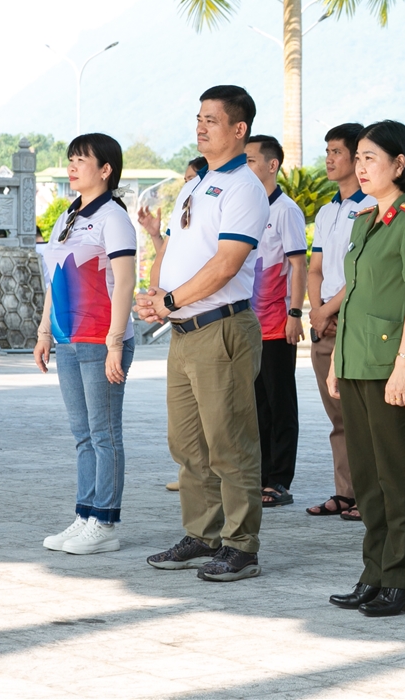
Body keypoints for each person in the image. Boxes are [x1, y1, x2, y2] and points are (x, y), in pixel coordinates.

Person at [136, 85, 270, 584]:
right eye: (198, 118)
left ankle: (241, 546)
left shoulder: (244, 188)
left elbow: (226, 264)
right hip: (183, 330)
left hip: (221, 329)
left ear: (239, 129)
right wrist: (157, 295)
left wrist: (171, 300)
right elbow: (177, 248)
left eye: (212, 120)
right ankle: (203, 533)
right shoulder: (196, 183)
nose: (200, 126)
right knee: (187, 444)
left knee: (229, 443)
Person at [326, 120, 405, 617]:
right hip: (357, 364)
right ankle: (373, 573)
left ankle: (401, 578)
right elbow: (353, 299)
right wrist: (337, 361)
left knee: (398, 477)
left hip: (394, 367)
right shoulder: (364, 220)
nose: (360, 165)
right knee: (369, 478)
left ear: (400, 165)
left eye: (370, 157)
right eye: (358, 157)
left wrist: (403, 366)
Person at [34, 133, 138, 556]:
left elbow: (127, 280)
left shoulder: (113, 217)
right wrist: (44, 333)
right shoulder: (67, 217)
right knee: (82, 434)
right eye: (70, 159)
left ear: (106, 169)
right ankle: (85, 514)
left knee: (104, 433)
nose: (72, 166)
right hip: (68, 338)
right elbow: (54, 280)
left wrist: (116, 342)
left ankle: (106, 523)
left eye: (81, 159)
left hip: (101, 340)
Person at [305, 122, 374, 521]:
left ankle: (370, 496)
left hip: (353, 319)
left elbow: (361, 273)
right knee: (338, 417)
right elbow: (316, 269)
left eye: (338, 152)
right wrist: (316, 312)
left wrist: (328, 311)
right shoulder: (328, 209)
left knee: (364, 417)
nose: (330, 159)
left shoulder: (371, 207)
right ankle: (345, 493)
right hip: (324, 322)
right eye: (327, 151)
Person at [244, 134, 308, 509]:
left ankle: (279, 480)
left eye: (251, 160)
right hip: (248, 325)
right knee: (256, 404)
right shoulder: (248, 207)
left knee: (280, 403)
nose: (246, 167)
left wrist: (295, 314)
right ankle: (260, 474)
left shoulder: (286, 210)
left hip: (277, 322)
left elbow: (298, 265)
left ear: (272, 165)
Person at [139, 156, 205, 494]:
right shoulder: (184, 206)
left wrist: (165, 302)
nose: (186, 183)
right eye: (185, 178)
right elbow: (166, 259)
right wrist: (156, 299)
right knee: (183, 425)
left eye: (192, 177)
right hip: (180, 323)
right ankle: (194, 482)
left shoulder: (217, 201)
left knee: (219, 426)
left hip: (210, 322)